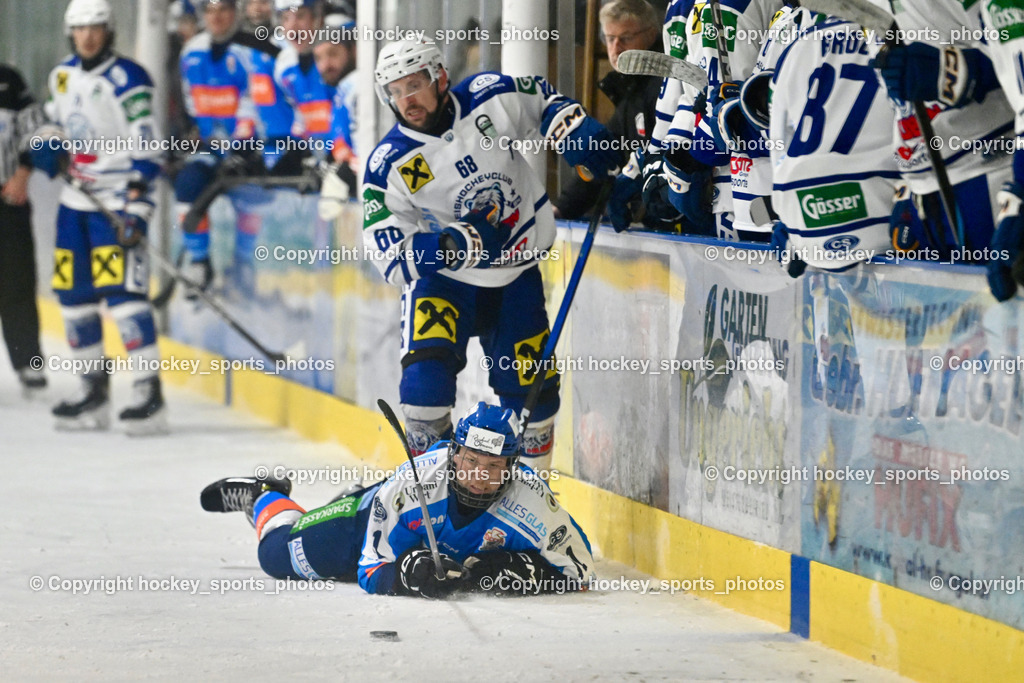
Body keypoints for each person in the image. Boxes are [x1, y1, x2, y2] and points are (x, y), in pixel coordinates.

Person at [361, 40, 621, 469]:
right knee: (425, 393)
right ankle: (437, 493)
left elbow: (542, 98)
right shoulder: (389, 163)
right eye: (394, 90)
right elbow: (388, 255)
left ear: (440, 77)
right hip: (445, 284)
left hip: (516, 276)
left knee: (533, 400)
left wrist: (570, 126)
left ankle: (531, 497)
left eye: (414, 84)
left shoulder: (487, 95)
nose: (406, 99)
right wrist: (451, 245)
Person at [201, 402, 596, 598]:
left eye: (493, 467)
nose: (478, 475)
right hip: (370, 524)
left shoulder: (532, 499)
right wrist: (406, 575)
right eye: (470, 460)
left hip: (398, 526)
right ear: (453, 453)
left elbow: (581, 570)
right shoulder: (412, 484)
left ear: (512, 467)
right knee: (276, 557)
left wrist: (526, 570)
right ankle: (264, 496)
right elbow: (370, 568)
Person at [30, 0, 165, 433]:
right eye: (80, 28)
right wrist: (47, 144)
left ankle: (148, 394)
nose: (88, 36)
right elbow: (53, 122)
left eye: (96, 28)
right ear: (71, 33)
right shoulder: (62, 75)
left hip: (115, 207)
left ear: (108, 31)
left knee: (125, 298)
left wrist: (138, 209)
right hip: (76, 207)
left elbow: (149, 148)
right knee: (72, 298)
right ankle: (93, 392)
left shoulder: (128, 79)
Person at [175, 0, 295, 297]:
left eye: (224, 9)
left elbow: (254, 103)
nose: (217, 17)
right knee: (187, 185)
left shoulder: (250, 49)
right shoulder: (191, 52)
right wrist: (188, 133)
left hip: (248, 146)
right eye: (210, 10)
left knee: (253, 194)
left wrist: (243, 145)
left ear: (236, 12)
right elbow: (191, 103)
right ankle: (200, 262)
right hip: (210, 146)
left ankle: (243, 263)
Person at [553, 0, 675, 230]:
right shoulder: (633, 89)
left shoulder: (665, 84)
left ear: (651, 35)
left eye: (626, 38)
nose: (616, 47)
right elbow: (606, 154)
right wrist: (562, 208)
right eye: (610, 38)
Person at [0, 64, 47, 397]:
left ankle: (29, 363)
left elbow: (38, 131)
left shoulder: (9, 80)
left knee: (17, 282)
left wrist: (24, 172)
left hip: (7, 197)